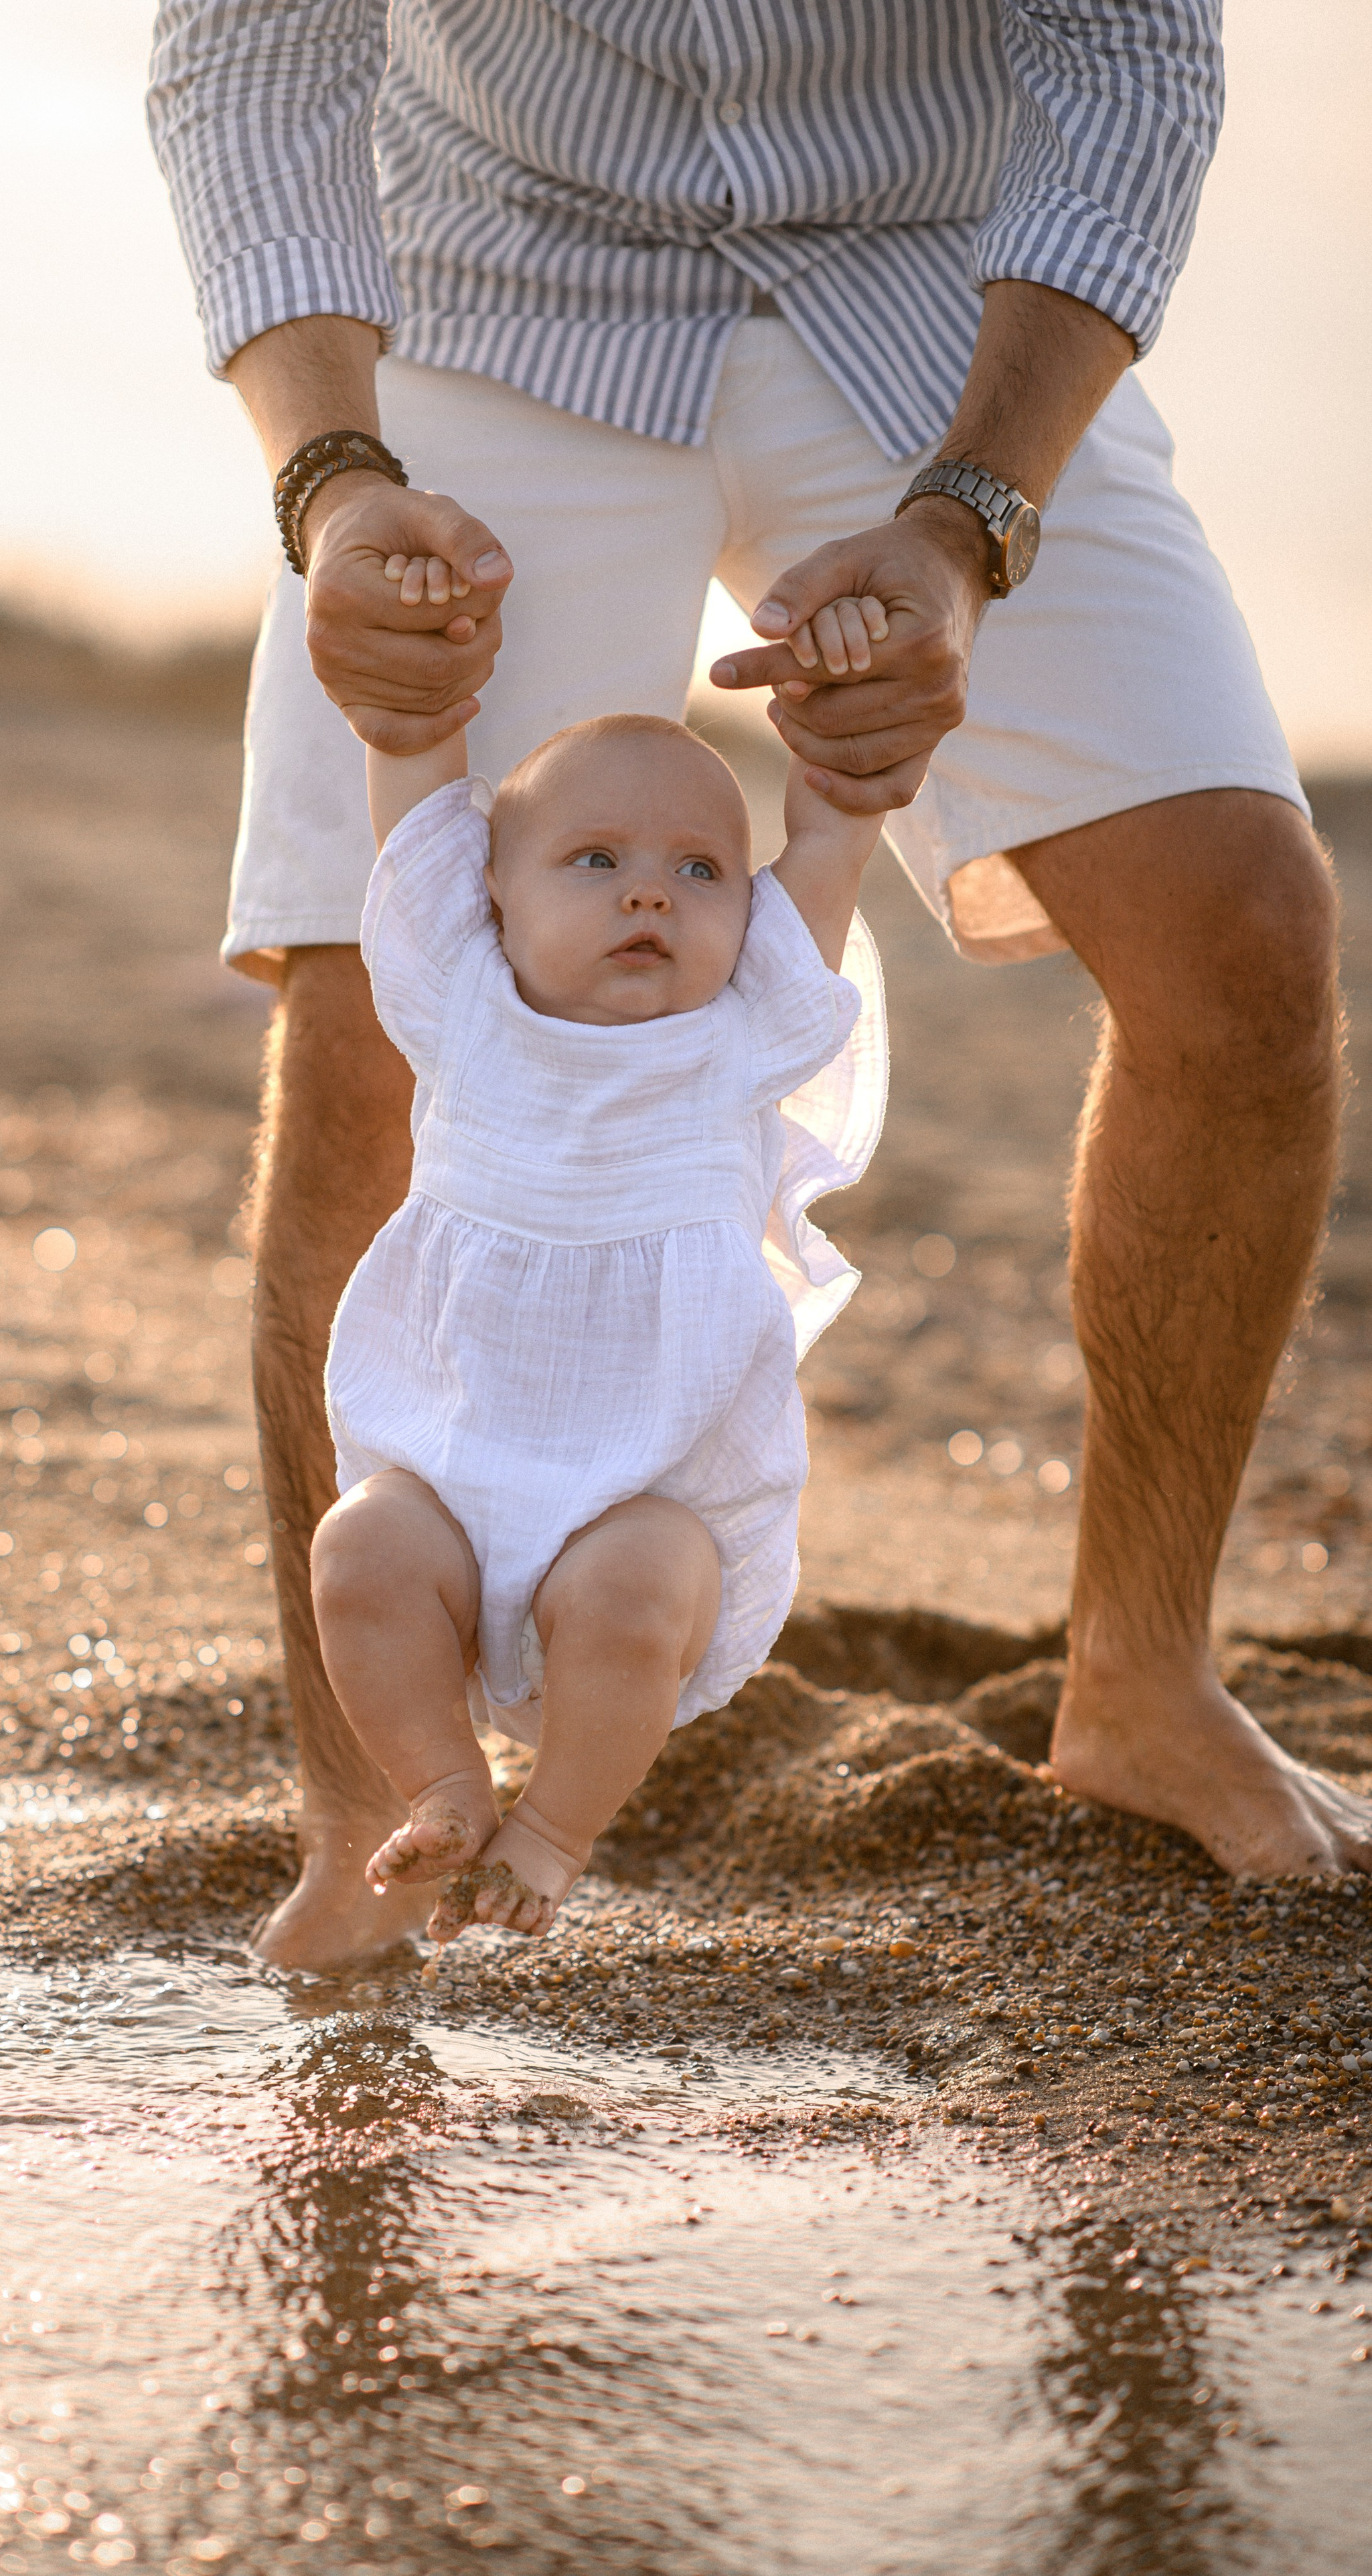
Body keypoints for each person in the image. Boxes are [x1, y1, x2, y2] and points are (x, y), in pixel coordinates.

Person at [148, 3, 1367, 1969]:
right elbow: (251, 52)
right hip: (491, 277)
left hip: (933, 299)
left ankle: (1144, 1680)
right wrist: (334, 480)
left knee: (1245, 930)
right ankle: (368, 1823)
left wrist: (970, 520)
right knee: (374, 1026)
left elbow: (1132, 61)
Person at [312, 587, 887, 1943]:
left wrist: (847, 731)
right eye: (593, 860)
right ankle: (444, 1785)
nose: (649, 891)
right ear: (493, 896)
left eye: (700, 871)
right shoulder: (460, 1001)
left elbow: (828, 832)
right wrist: (417, 689)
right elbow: (415, 795)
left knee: (632, 1593)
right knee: (358, 1552)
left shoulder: (741, 1032)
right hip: (450, 1465)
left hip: (650, 1492)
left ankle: (555, 1830)